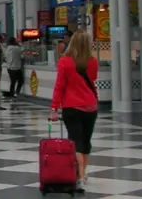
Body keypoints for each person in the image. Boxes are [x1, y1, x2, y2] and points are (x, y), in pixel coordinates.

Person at [50, 31, 98, 192]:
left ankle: (79, 176)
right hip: (91, 106)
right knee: (86, 141)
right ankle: (83, 173)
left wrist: (54, 108)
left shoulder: (64, 62)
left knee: (75, 142)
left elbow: (60, 86)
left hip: (72, 106)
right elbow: (93, 79)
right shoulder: (93, 61)